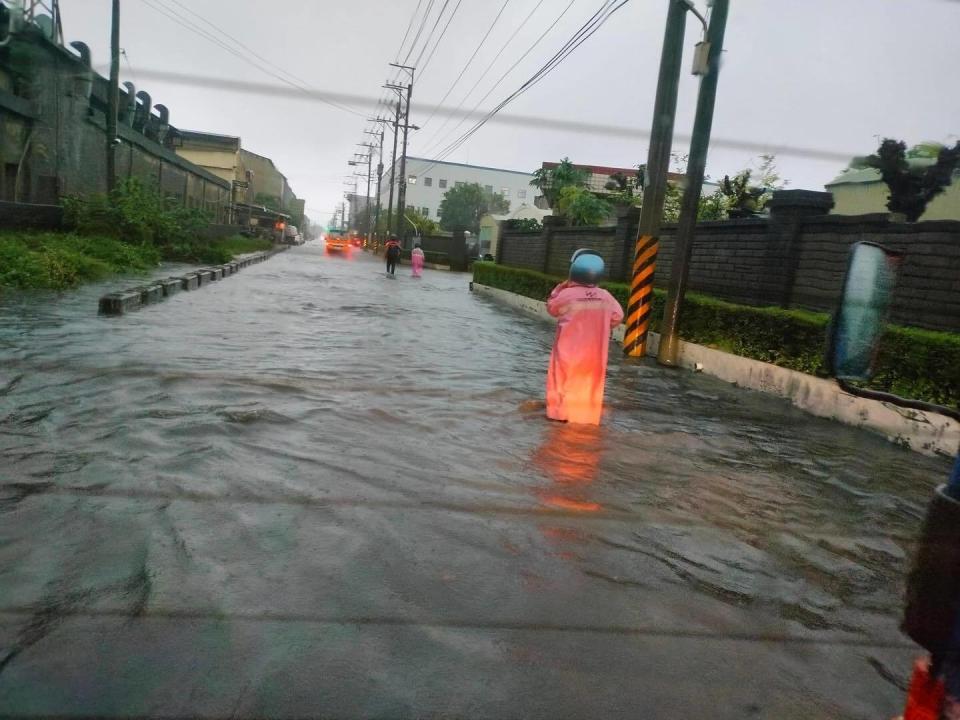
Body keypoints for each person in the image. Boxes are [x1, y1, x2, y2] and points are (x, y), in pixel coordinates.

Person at [545, 249, 624, 425]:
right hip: (595, 354)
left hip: (568, 352)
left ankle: (560, 417)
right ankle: (585, 419)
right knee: (591, 385)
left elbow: (552, 308)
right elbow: (617, 316)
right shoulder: (606, 297)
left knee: (562, 382)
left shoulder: (566, 295)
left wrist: (560, 288)